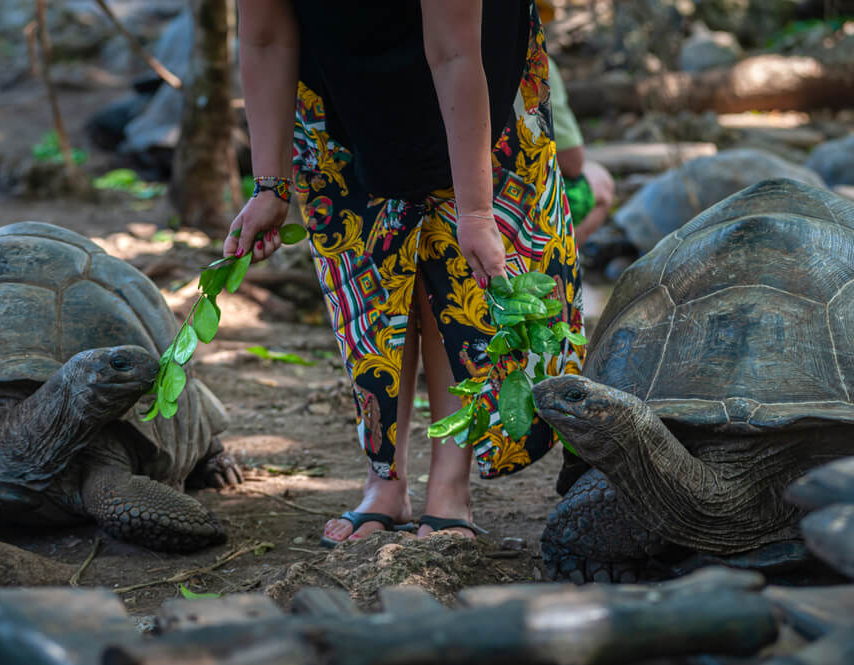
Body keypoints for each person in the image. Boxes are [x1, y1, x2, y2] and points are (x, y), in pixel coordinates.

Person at [225, 0, 587, 545]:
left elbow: (455, 52)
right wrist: (270, 186)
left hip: (474, 67)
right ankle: (385, 483)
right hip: (338, 80)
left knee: (456, 269)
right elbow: (265, 38)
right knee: (370, 268)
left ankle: (449, 488)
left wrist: (476, 213)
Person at [537, 0, 615, 247]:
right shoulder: (539, 65)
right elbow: (572, 163)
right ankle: (558, 264)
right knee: (600, 179)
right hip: (520, 203)